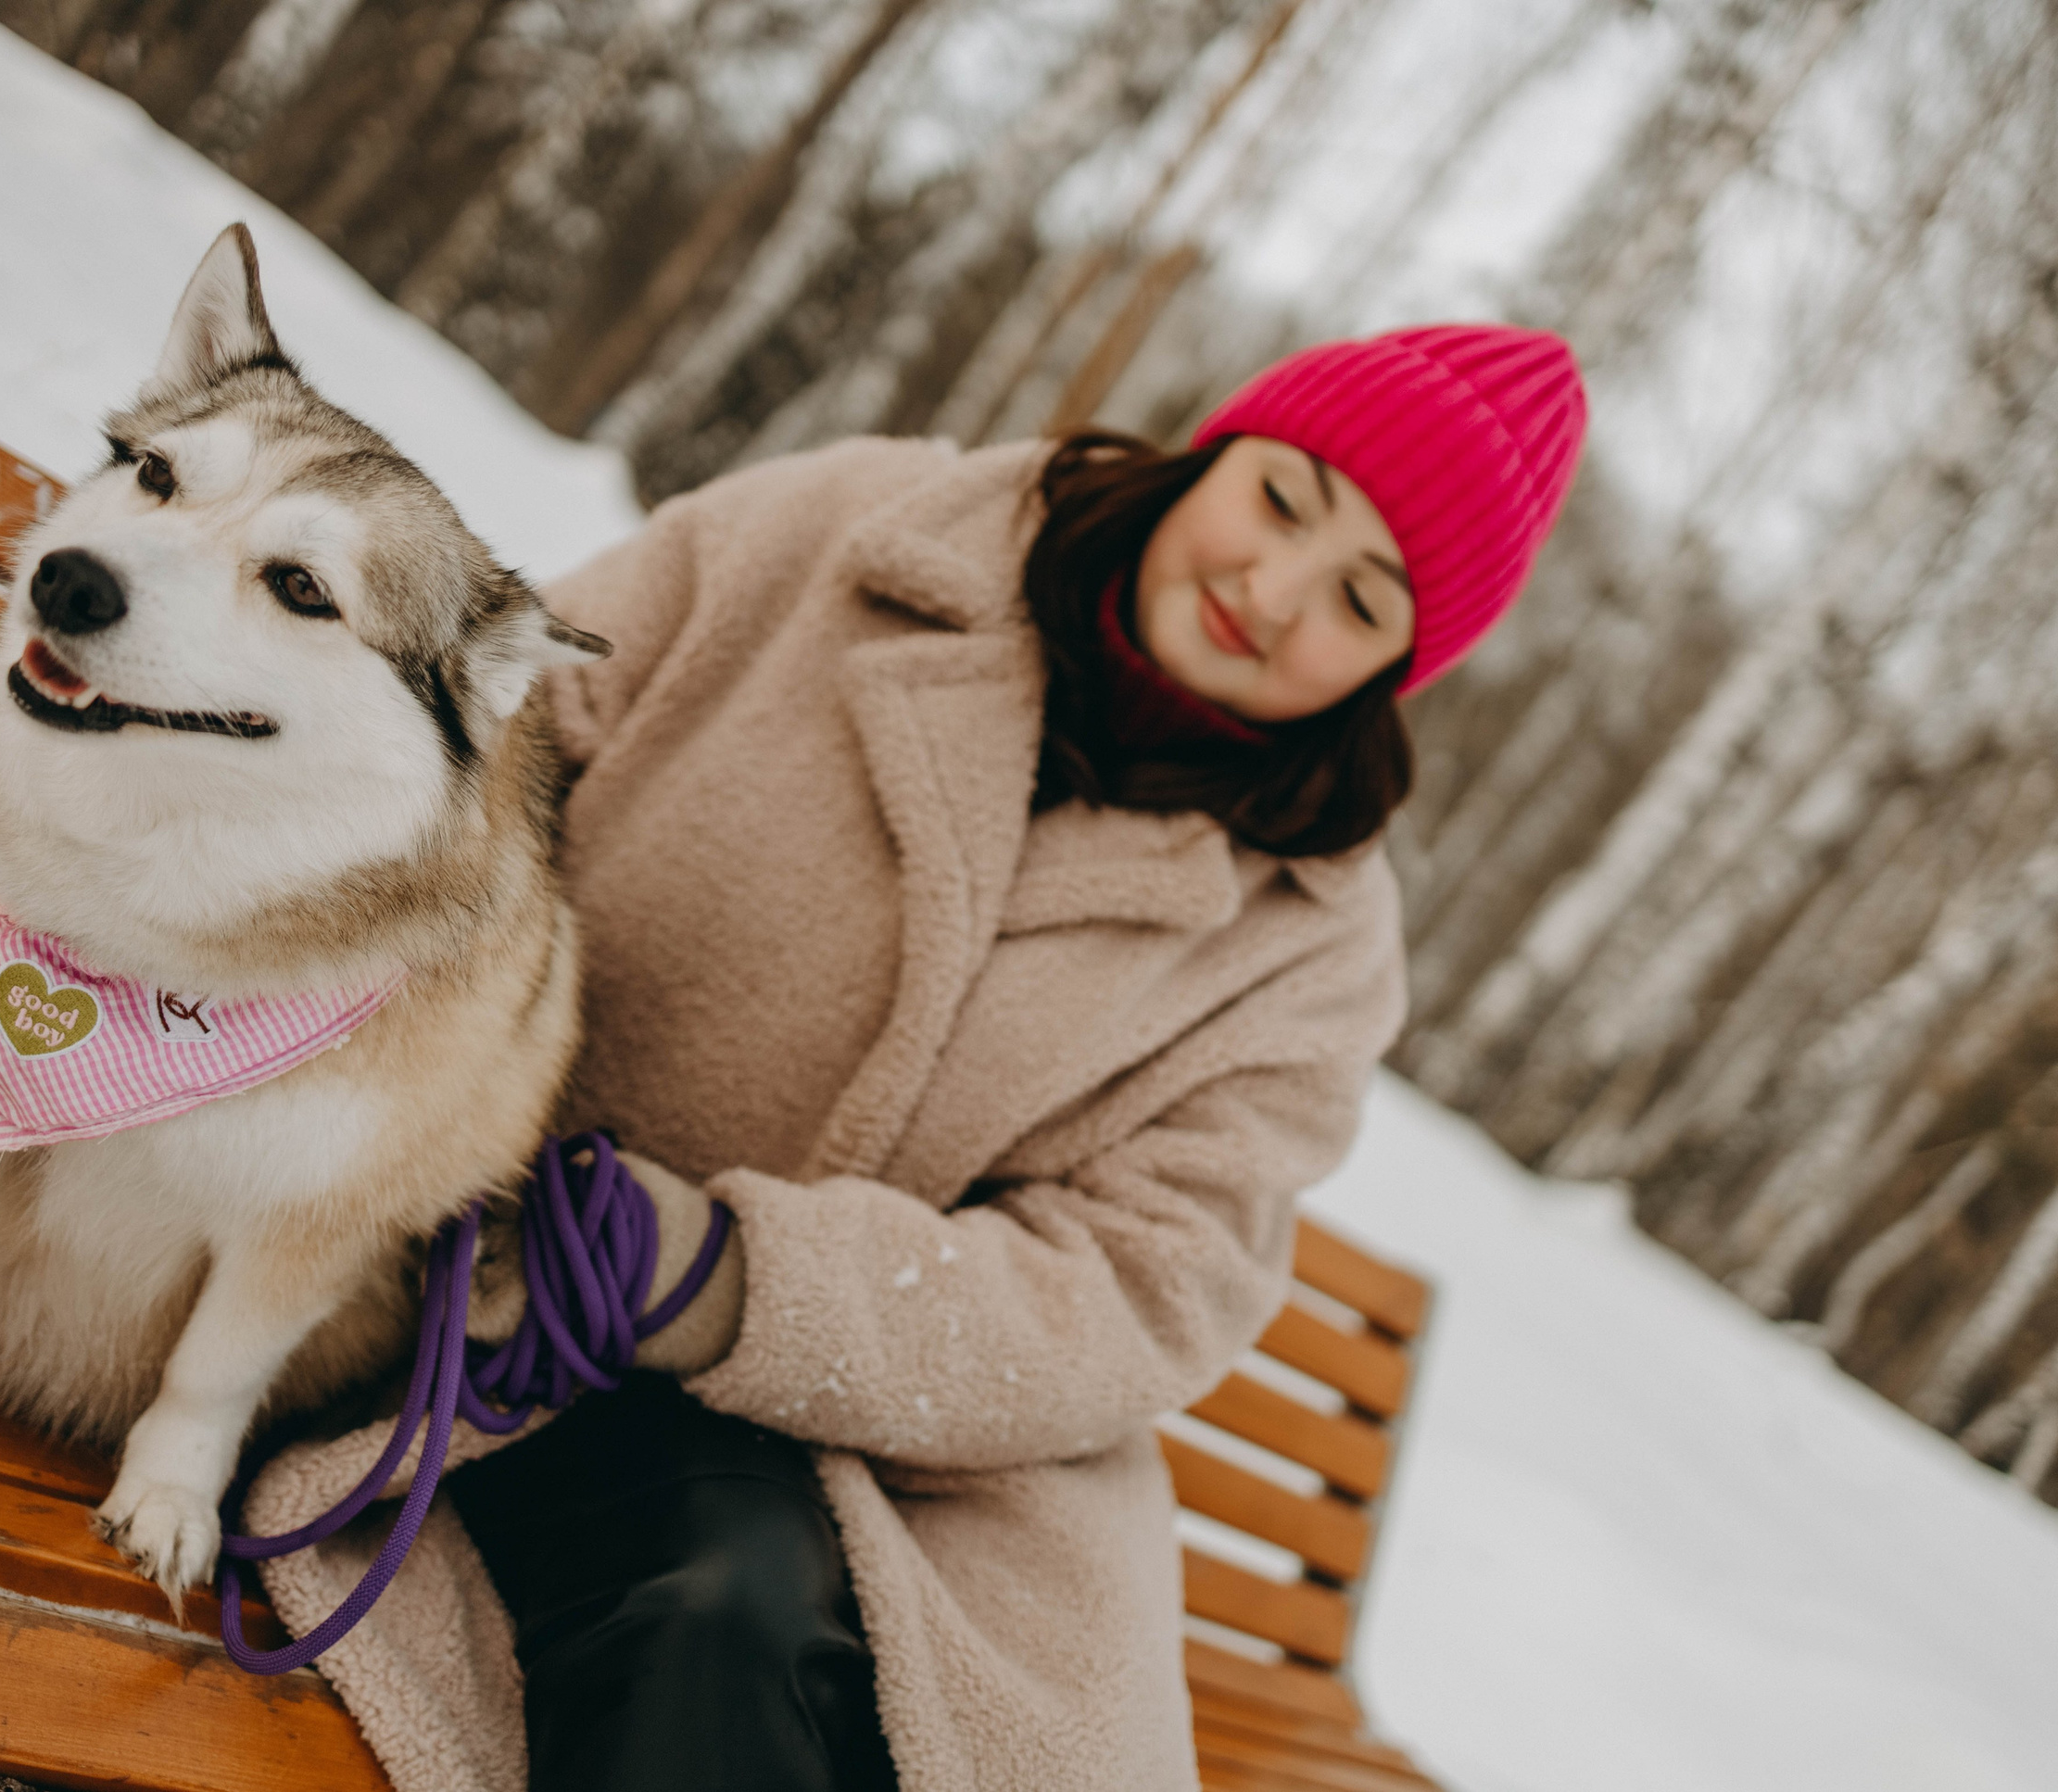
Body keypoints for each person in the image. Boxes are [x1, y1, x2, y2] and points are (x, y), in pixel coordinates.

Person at [256, 323, 1585, 1792]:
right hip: (432, 1228)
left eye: (1362, 598)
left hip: (876, 1441)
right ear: (1218, 447)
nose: (1271, 595)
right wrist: (440, 1089)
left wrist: (721, 1274)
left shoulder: (1313, 937)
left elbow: (1140, 1282)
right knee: (725, 1619)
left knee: (809, 1665)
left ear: (1404, 664)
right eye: (1282, 499)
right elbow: (489, 735)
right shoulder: (857, 531)